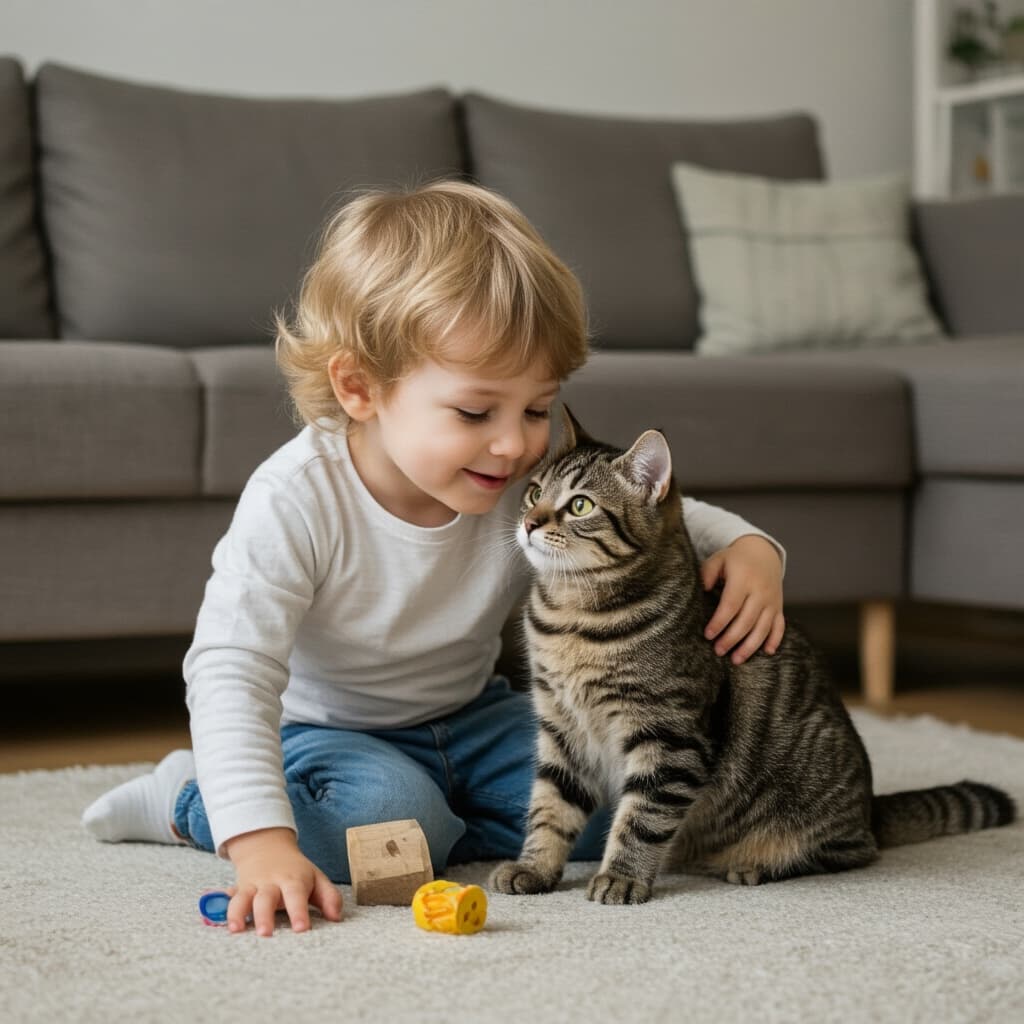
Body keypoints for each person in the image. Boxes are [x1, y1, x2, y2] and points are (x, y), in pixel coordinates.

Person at [82, 181, 786, 936]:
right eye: (476, 412)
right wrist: (259, 845)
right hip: (331, 733)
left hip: (471, 717)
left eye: (538, 409)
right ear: (360, 388)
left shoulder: (520, 474)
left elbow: (650, 512)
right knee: (389, 816)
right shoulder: (296, 498)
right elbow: (230, 665)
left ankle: (449, 822)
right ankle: (194, 798)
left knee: (621, 806)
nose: (517, 444)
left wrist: (751, 548)